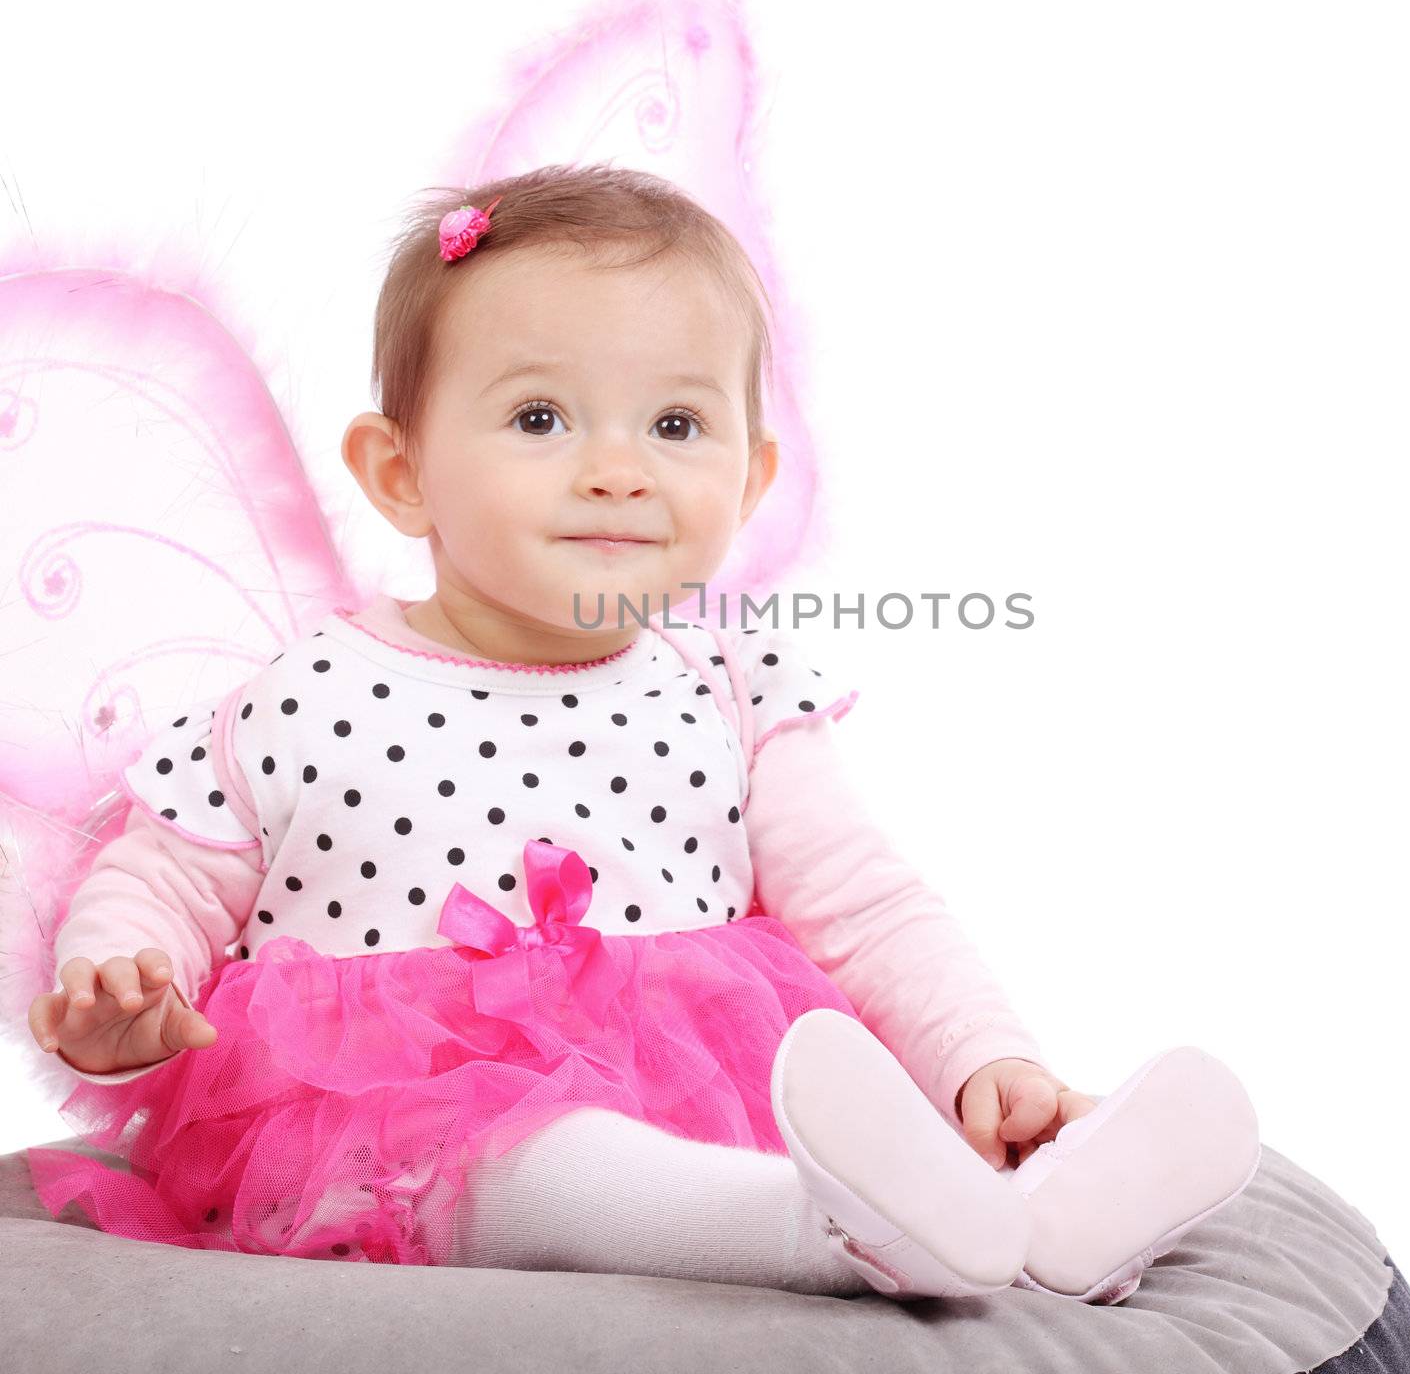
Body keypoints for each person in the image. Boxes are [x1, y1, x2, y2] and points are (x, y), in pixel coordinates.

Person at [24, 164, 1259, 1300]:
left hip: (708, 1094)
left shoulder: (734, 687)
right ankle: (815, 1232)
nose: (618, 470)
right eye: (541, 419)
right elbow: (165, 872)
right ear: (400, 472)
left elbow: (870, 907)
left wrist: (988, 1064)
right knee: (541, 1162)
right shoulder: (300, 698)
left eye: (673, 427)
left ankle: (1044, 1206)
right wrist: (119, 983)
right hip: (401, 1140)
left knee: (866, 1108)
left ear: (750, 479)